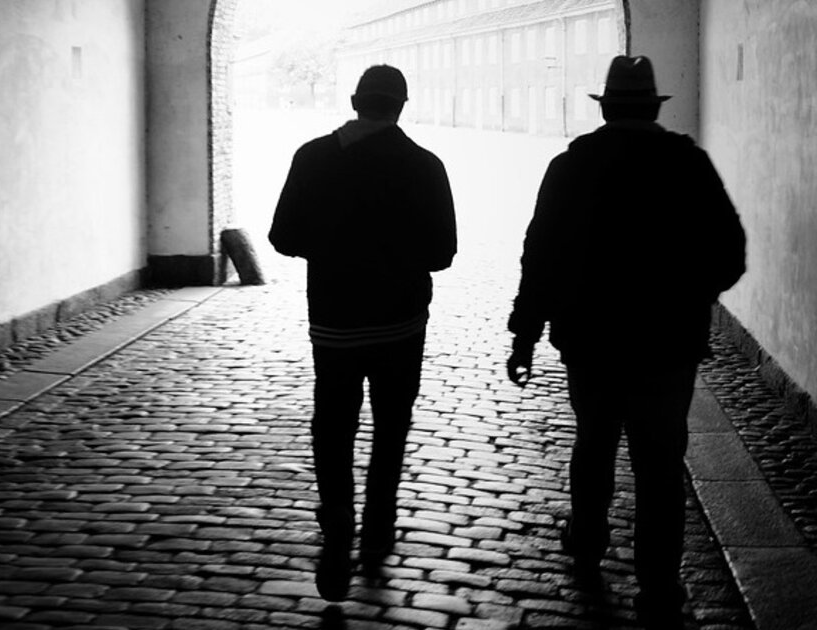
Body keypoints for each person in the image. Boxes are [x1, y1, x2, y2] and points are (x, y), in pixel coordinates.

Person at [505, 56, 746, 628]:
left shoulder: (572, 165)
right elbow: (730, 253)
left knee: (593, 443)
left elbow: (541, 254)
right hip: (667, 346)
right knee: (660, 463)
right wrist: (690, 297)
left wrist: (525, 333)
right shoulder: (688, 164)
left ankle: (587, 539)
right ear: (653, 108)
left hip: (589, 340)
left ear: (607, 108)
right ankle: (658, 584)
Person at [269, 64, 458, 602]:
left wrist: (332, 247)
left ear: (355, 101)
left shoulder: (312, 157)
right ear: (401, 106)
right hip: (401, 321)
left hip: (335, 319)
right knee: (391, 424)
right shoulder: (425, 165)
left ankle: (336, 524)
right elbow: (442, 252)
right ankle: (378, 526)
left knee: (333, 423)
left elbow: (283, 236)